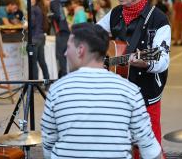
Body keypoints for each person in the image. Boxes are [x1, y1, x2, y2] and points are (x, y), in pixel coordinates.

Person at [41, 23, 162, 159]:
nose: (64, 53)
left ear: (80, 50)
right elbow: (150, 149)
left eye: (68, 47)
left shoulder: (57, 90)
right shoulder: (130, 91)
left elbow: (48, 145)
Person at [97, 0, 170, 158]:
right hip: (118, 90)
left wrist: (144, 63)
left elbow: (162, 60)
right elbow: (94, 34)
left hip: (146, 92)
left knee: (148, 146)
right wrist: (100, 59)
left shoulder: (159, 19)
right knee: (118, 142)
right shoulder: (115, 14)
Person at [30, 0, 50, 80]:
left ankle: (34, 84)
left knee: (33, 63)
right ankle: (47, 81)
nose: (29, 0)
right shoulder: (40, 9)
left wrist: (25, 24)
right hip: (41, 37)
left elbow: (32, 23)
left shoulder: (33, 9)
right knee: (42, 61)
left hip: (34, 37)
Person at [50, 0, 70, 78]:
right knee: (63, 56)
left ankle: (64, 75)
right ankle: (63, 74)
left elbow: (57, 15)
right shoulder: (62, 13)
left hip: (62, 35)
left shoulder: (56, 14)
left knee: (61, 56)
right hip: (65, 34)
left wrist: (51, 16)